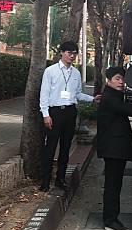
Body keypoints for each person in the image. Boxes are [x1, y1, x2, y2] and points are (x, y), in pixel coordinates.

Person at [39, 41, 98, 192]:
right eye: (69, 53)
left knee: (66, 148)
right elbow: (44, 94)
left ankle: (60, 179)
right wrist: (46, 115)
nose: (72, 56)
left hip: (70, 112)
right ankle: (45, 181)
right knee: (50, 147)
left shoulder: (76, 73)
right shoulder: (50, 71)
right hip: (54, 112)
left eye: (74, 53)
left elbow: (77, 94)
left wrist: (92, 99)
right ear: (61, 53)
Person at [97, 66, 132, 230]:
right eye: (117, 78)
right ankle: (110, 220)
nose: (121, 82)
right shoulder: (110, 98)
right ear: (109, 80)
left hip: (122, 145)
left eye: (122, 79)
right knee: (113, 185)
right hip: (113, 149)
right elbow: (128, 109)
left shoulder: (115, 95)